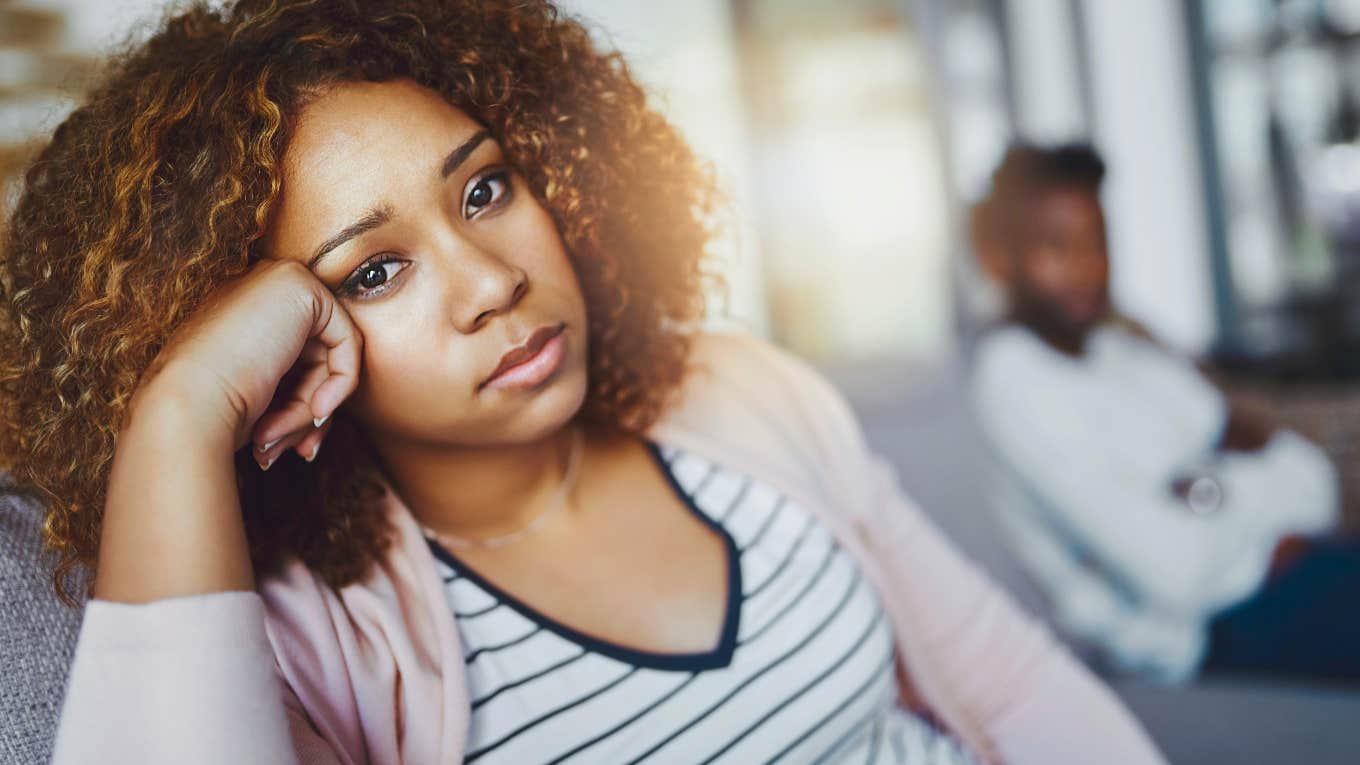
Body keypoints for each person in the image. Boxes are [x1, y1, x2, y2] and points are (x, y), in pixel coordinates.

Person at [0, 3, 1164, 763]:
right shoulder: (319, 631)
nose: (490, 283)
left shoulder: (739, 392)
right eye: (376, 269)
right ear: (290, 342)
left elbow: (1012, 689)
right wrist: (179, 414)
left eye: (485, 191)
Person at [968, 142, 1358, 685]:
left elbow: (1309, 476)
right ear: (997, 260)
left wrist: (1199, 491)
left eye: (1096, 242)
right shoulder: (1014, 382)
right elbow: (1179, 573)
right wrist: (1240, 489)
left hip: (1287, 575)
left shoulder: (1116, 349)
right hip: (1212, 633)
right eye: (1057, 247)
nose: (1085, 266)